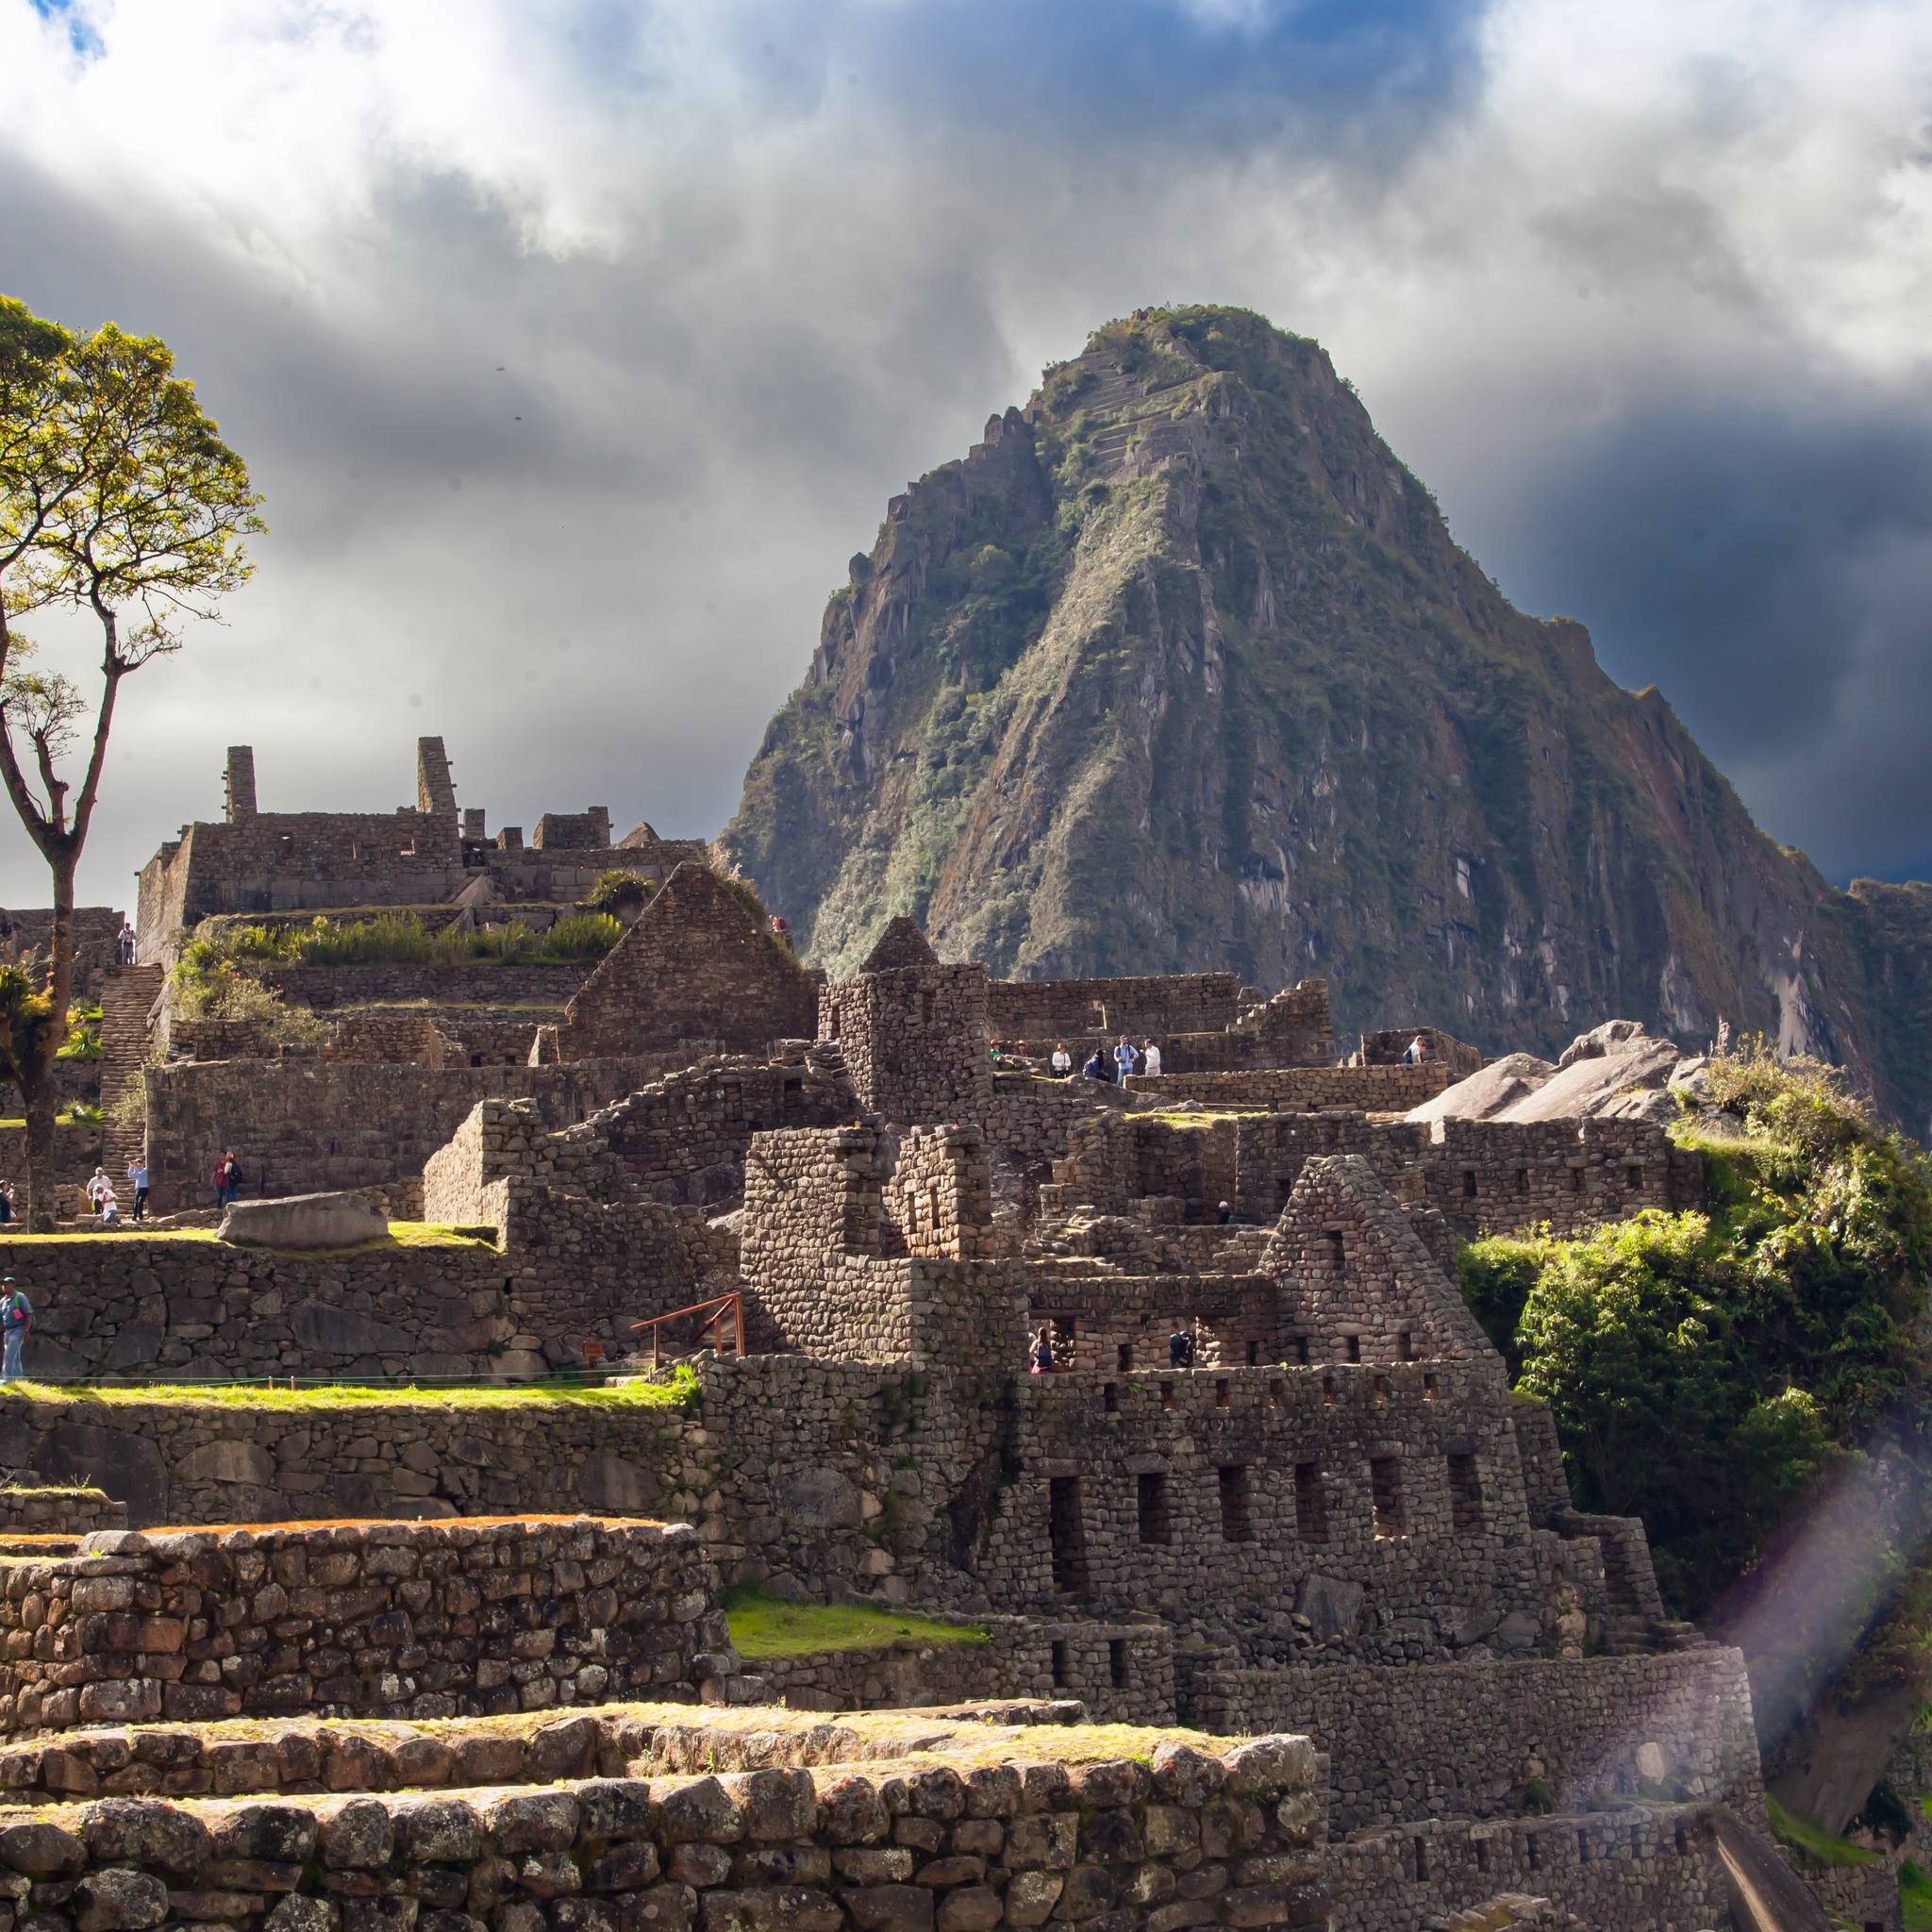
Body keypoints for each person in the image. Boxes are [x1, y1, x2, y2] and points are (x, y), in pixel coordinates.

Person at [0, 1277, 31, 1382]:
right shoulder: (3, 1301)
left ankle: (6, 1379)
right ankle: (20, 1379)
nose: (3, 1286)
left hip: (19, 1329)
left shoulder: (20, 1297)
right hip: (8, 1331)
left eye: (6, 1284)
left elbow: (28, 1314)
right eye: (2, 1284)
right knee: (15, 1355)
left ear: (13, 1285)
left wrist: (26, 1331)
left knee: (9, 1354)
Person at [125, 1158, 149, 1223]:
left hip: (144, 1188)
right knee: (136, 1202)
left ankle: (140, 1216)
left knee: (140, 1201)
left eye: (140, 1162)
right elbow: (130, 1175)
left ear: (143, 1163)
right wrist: (131, 1167)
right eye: (137, 1162)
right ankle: (135, 1216)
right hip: (138, 1188)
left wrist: (135, 1166)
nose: (139, 1164)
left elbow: (139, 1174)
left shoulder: (145, 1170)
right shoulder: (136, 1169)